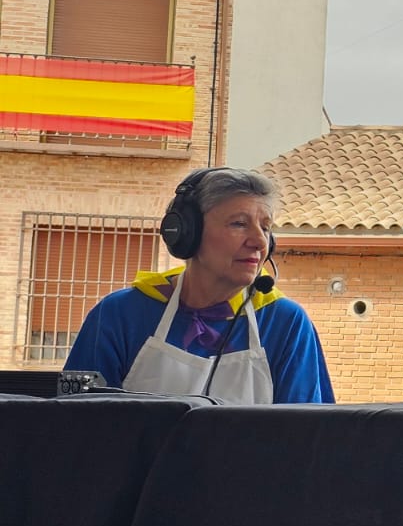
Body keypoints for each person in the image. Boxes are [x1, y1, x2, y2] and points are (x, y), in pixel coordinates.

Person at [64, 167, 335, 404]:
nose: (259, 242)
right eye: (239, 224)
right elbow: (71, 417)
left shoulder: (286, 323)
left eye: (265, 228)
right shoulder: (116, 314)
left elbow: (308, 437)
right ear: (186, 232)